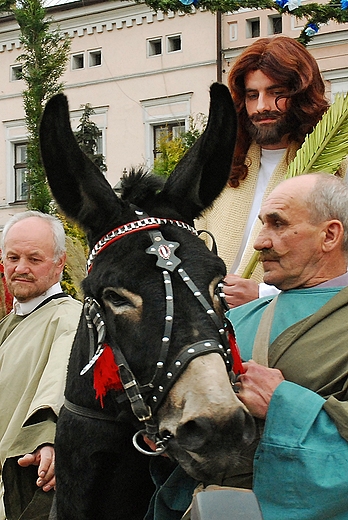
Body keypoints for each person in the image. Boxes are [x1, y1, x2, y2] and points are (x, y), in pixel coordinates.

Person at [148, 173, 348, 520]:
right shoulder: (234, 318)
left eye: (278, 224)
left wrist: (282, 403)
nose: (259, 242)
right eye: (262, 225)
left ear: (329, 235)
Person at [196, 35, 347, 308]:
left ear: (302, 96)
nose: (262, 106)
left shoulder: (338, 168)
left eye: (276, 93)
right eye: (252, 95)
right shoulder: (224, 164)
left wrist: (262, 295)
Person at [0, 211, 82, 520]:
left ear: (60, 262)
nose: (20, 268)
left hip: (19, 494)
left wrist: (47, 439)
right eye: (13, 257)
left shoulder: (69, 318)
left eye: (35, 259)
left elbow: (60, 381)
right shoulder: (10, 323)